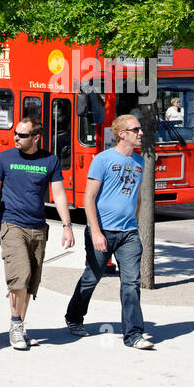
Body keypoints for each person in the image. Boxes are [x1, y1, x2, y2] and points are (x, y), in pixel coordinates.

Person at [0, 117, 74, 350]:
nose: (16, 137)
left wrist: (66, 226)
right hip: (11, 224)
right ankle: (15, 326)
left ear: (36, 138)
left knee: (31, 282)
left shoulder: (50, 160)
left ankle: (19, 325)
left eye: (22, 135)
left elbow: (60, 195)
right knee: (20, 275)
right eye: (15, 133)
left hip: (38, 227)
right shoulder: (4, 158)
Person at [64, 114, 153, 349]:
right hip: (102, 230)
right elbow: (89, 198)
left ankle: (133, 334)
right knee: (91, 278)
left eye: (140, 129)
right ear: (122, 134)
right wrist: (95, 231)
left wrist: (132, 222)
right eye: (136, 129)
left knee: (131, 283)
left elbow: (138, 197)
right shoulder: (102, 160)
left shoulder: (139, 162)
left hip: (128, 234)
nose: (140, 133)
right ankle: (73, 317)